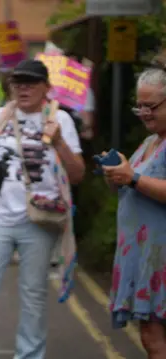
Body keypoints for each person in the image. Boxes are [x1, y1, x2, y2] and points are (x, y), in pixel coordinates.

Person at [0, 59, 85, 359]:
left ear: (47, 88)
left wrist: (60, 141)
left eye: (30, 83)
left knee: (33, 296)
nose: (23, 88)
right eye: (17, 83)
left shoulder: (61, 120)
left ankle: (29, 355)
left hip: (39, 221)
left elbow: (77, 174)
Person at [104, 67, 166, 358]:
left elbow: (141, 182)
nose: (143, 113)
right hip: (146, 256)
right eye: (139, 106)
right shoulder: (151, 141)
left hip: (161, 256)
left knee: (155, 339)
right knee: (151, 337)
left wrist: (134, 178)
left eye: (151, 106)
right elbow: (136, 185)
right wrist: (119, 176)